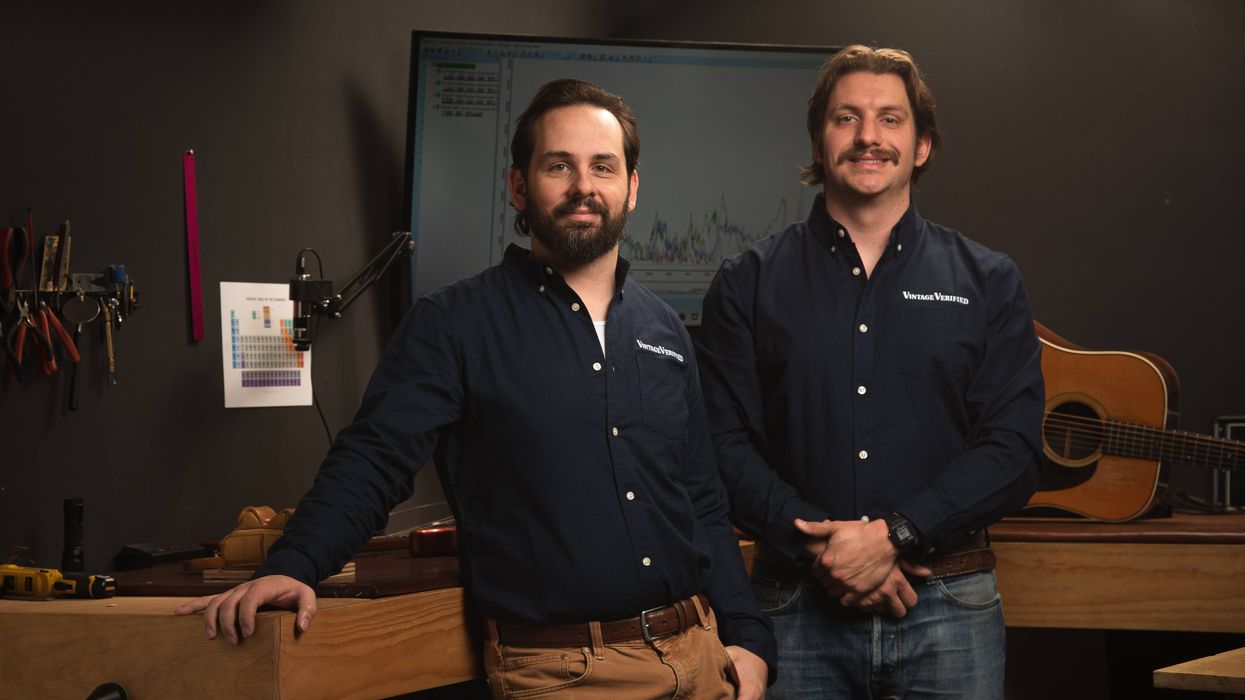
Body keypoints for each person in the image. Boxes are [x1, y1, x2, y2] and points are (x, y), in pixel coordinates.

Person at [176, 78, 773, 699]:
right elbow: (374, 459)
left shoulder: (666, 331)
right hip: (568, 674)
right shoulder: (453, 323)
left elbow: (702, 503)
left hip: (702, 661)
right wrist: (294, 565)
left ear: (631, 188)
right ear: (520, 185)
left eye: (603, 167)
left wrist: (749, 642)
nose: (583, 187)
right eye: (558, 166)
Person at [696, 45, 1044, 698]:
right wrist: (826, 551)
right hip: (793, 610)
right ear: (818, 140)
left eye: (889, 119)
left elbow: (1014, 448)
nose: (867, 137)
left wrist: (894, 535)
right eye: (845, 118)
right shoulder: (746, 283)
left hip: (949, 610)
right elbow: (720, 446)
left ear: (921, 146)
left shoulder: (988, 281)